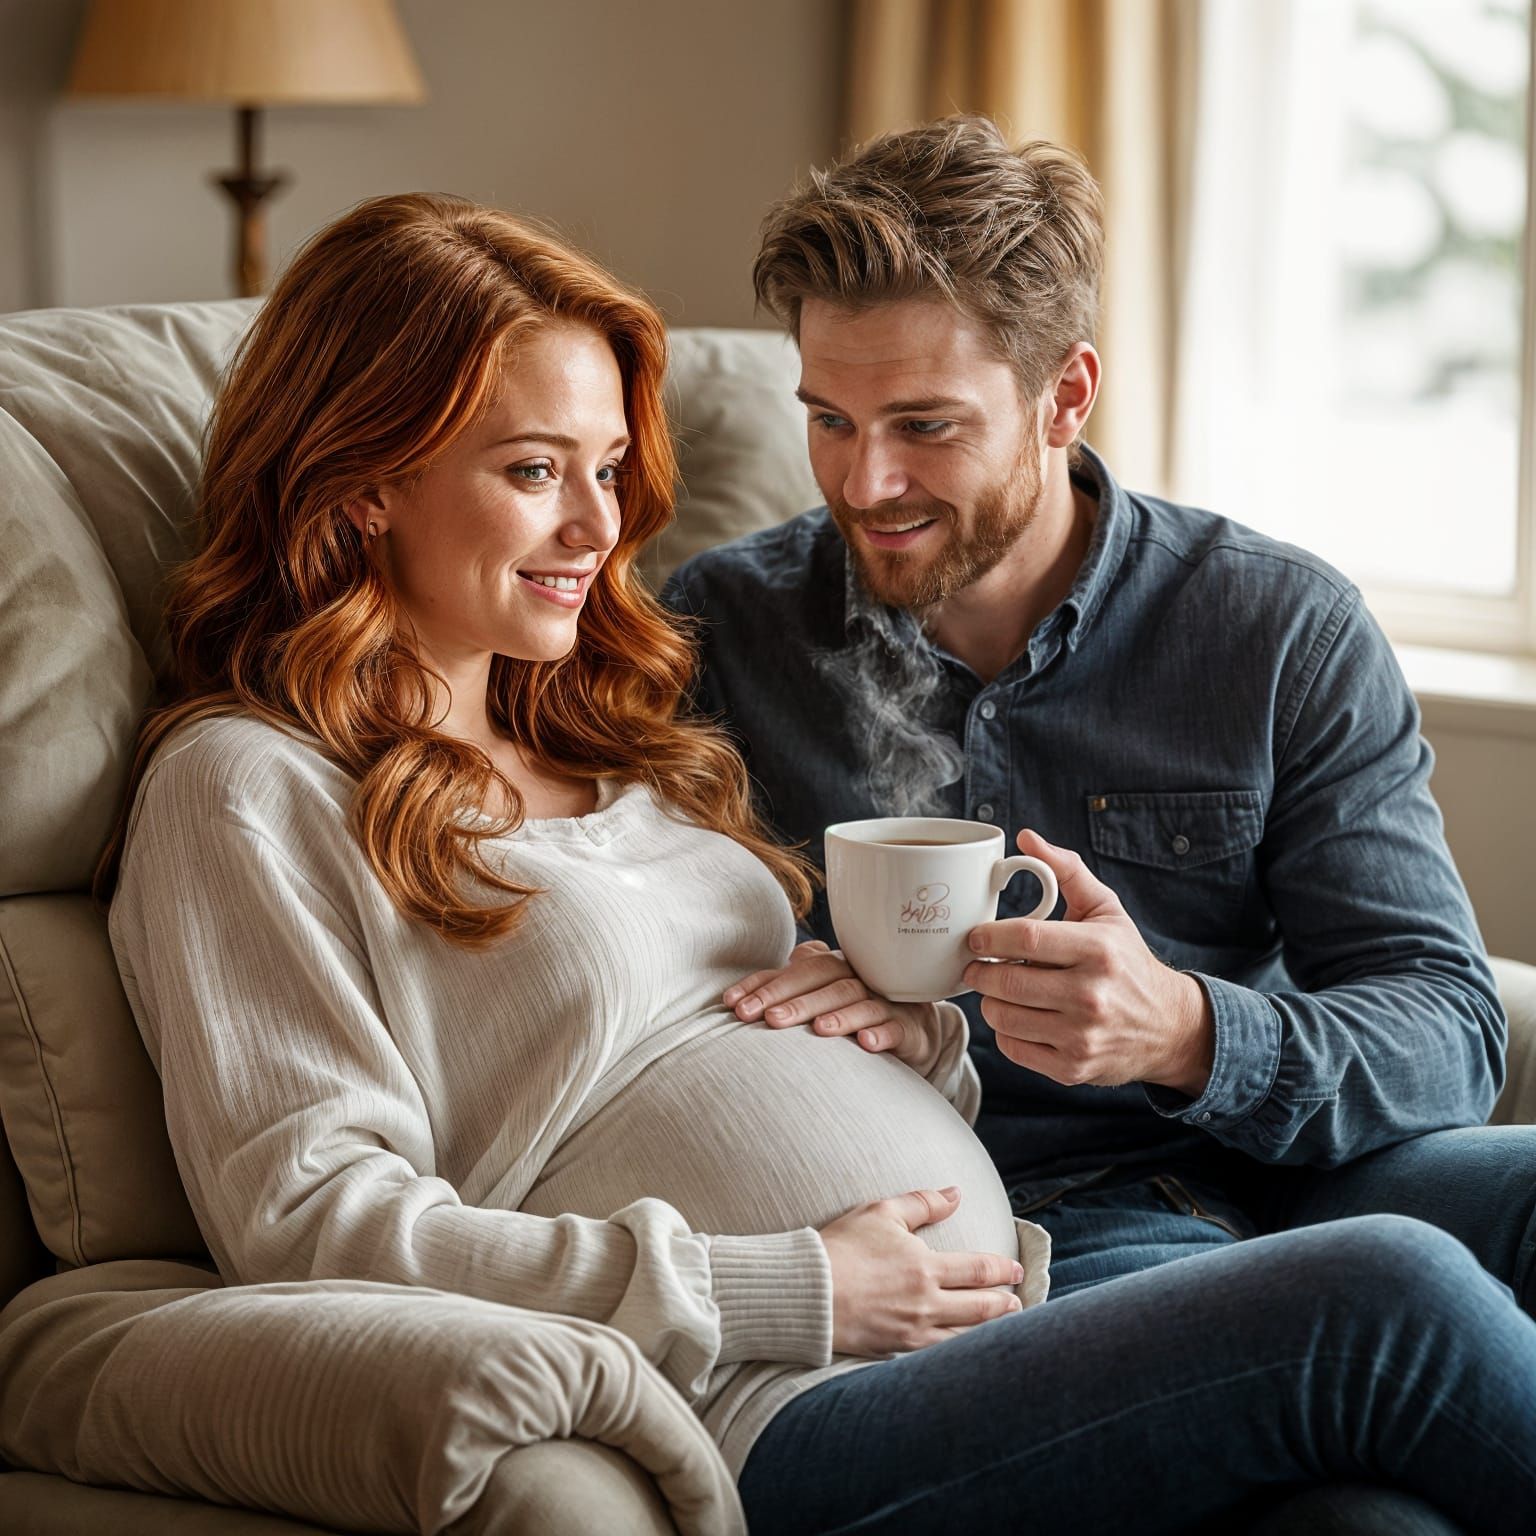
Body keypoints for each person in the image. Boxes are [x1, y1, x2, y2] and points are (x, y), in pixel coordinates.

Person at [96, 192, 1535, 1536]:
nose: (606, 532)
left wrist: (936, 1031)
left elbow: (1443, 1021)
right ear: (359, 489)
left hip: (1055, 1257)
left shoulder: (615, 738)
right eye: (541, 472)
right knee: (1384, 1299)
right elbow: (313, 1220)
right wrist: (789, 1282)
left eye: (605, 469)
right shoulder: (249, 787)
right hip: (804, 1377)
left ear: (1065, 398)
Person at [660, 116, 1536, 1529]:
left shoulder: (1273, 628)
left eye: (924, 427)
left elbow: (1449, 1023)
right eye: (828, 419)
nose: (861, 484)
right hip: (1029, 1226)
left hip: (1293, 1165)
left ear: (1066, 397)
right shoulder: (713, 640)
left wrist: (1191, 1033)